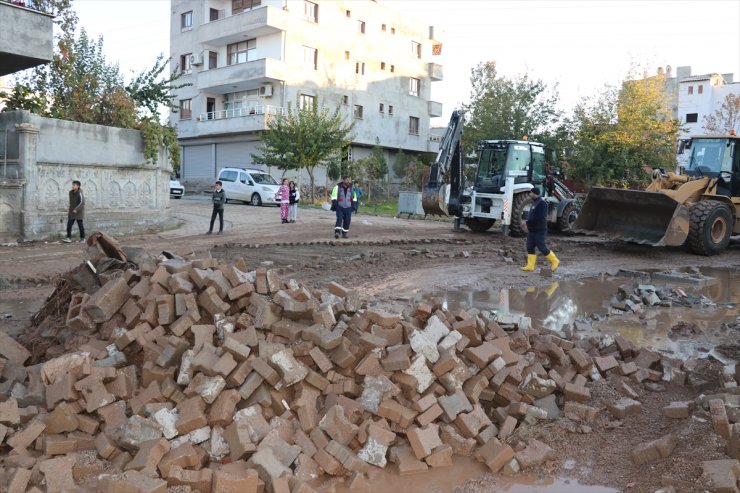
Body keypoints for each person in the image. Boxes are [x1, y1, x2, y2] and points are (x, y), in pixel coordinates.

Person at [520, 187, 560, 272]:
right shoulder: (534, 202)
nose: (529, 194)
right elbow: (532, 215)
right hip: (532, 229)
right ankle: (530, 266)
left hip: (540, 229)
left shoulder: (542, 203)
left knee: (542, 247)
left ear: (534, 193)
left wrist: (527, 222)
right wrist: (528, 223)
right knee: (529, 247)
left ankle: (555, 261)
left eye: (530, 192)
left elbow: (539, 217)